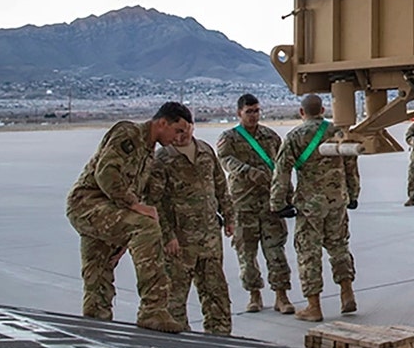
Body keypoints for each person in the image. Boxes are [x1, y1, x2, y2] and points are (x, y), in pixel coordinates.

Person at [64, 102, 191, 333]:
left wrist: (123, 238)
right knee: (147, 226)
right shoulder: (129, 133)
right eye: (178, 130)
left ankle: (96, 325)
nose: (179, 137)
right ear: (162, 123)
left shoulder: (148, 151)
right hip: (88, 203)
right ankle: (153, 310)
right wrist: (134, 205)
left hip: (107, 210)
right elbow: (106, 173)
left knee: (99, 271)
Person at [270, 94, 360, 321]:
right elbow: (351, 164)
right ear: (323, 110)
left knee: (308, 253)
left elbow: (282, 171)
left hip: (310, 205)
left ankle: (314, 306)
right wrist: (353, 194)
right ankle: (347, 293)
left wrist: (278, 203)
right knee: (339, 246)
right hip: (337, 201)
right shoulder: (338, 133)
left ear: (302, 113)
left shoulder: (294, 136)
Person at [149, 119, 234, 335]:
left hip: (209, 238)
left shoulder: (205, 150)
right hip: (180, 242)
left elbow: (220, 185)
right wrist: (167, 236)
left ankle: (221, 340)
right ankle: (179, 344)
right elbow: (153, 201)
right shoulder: (162, 158)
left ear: (192, 126)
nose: (180, 136)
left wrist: (229, 216)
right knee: (175, 299)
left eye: (184, 130)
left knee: (217, 295)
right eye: (176, 131)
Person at [216, 93, 294, 314]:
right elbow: (226, 160)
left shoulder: (270, 137)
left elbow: (282, 168)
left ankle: (281, 296)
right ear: (239, 113)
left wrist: (288, 196)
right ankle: (254, 295)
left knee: (275, 252)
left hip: (269, 205)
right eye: (249, 111)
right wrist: (249, 172)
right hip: (243, 205)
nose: (254, 115)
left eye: (257, 111)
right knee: (246, 255)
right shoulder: (229, 138)